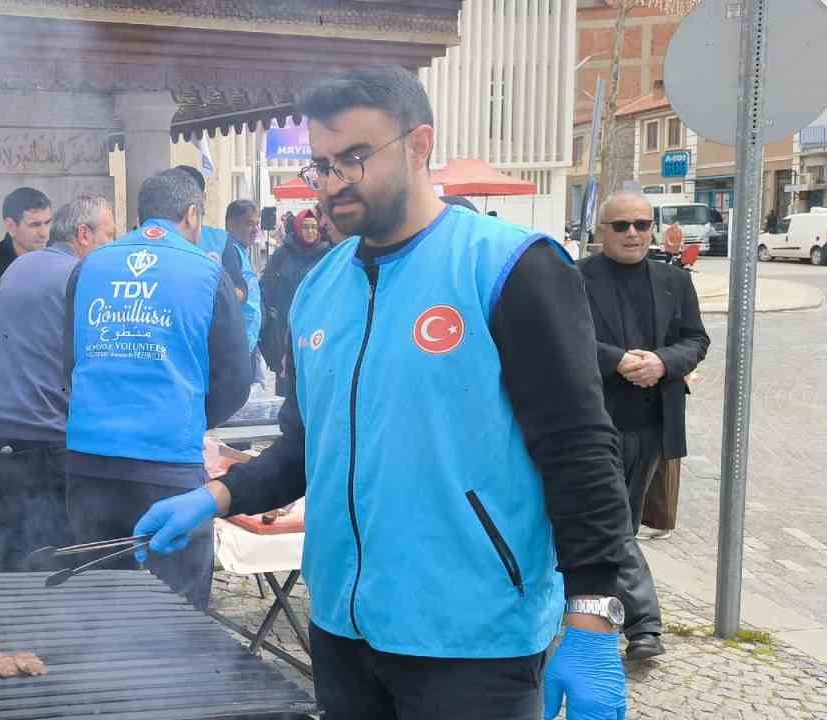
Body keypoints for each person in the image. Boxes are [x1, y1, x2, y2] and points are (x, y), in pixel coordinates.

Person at [131, 66, 635, 719]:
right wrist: (215, 496)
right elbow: (309, 446)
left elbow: (581, 451)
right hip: (343, 627)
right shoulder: (319, 287)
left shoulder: (511, 267)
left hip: (473, 638)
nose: (334, 182)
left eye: (355, 158)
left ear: (419, 145)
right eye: (321, 164)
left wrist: (594, 614)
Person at [63, 169, 250, 611]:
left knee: (98, 603)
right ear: (191, 214)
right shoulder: (206, 271)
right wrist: (189, 417)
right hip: (168, 470)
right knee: (174, 610)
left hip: (89, 464)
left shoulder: (89, 266)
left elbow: (70, 360)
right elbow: (236, 380)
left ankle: (97, 680)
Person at [578, 192, 710, 661]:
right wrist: (617, 362)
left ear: (653, 228)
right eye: (620, 226)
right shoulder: (576, 278)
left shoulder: (674, 279)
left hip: (654, 422)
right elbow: (564, 338)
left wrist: (661, 362)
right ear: (601, 232)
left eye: (640, 224)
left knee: (624, 524)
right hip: (595, 423)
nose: (632, 233)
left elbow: (696, 339)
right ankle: (644, 626)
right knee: (614, 519)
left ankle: (593, 609)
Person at [0, 195, 116, 572]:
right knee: (49, 555)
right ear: (84, 234)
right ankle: (34, 628)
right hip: (38, 440)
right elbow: (97, 364)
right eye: (109, 236)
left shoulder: (21, 266)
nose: (112, 247)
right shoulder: (81, 277)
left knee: (2, 545)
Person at [175, 166, 262, 357]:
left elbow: (242, 292)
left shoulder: (221, 242)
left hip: (225, 351)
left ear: (202, 200)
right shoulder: (153, 242)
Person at [258, 210, 336, 396]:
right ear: (297, 228)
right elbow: (267, 286)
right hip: (286, 329)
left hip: (317, 328)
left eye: (313, 227)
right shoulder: (282, 254)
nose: (309, 231)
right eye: (305, 227)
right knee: (290, 392)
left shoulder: (328, 254)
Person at [0, 188, 51, 339]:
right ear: (11, 226)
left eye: (47, 223)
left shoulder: (56, 258)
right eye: (35, 225)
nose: (44, 233)